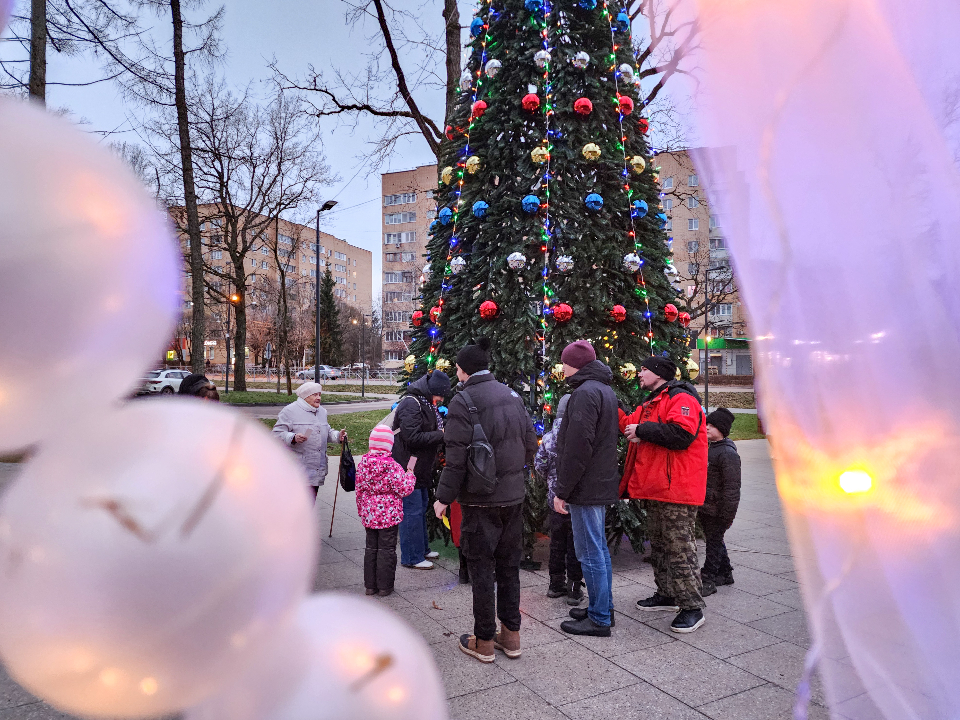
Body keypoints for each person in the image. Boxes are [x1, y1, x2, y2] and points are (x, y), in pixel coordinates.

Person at [433, 338, 538, 663]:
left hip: (480, 502)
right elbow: (531, 442)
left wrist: (442, 498)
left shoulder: (464, 401)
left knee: (481, 569)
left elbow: (456, 460)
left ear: (464, 370)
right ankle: (511, 636)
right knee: (509, 568)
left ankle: (483, 640)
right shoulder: (512, 395)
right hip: (513, 498)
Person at [619, 356, 708, 633]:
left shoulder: (681, 398)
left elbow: (682, 434)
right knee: (659, 545)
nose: (639, 374)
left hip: (677, 490)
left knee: (680, 549)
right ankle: (667, 594)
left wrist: (643, 431)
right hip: (658, 489)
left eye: (643, 370)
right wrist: (611, 405)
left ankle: (692, 607)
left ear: (658, 373)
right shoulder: (651, 402)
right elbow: (628, 423)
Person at [553, 341, 620, 638]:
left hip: (586, 485)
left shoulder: (583, 394)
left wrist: (563, 489)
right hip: (598, 482)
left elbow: (577, 448)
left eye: (565, 362)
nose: (562, 367)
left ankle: (599, 617)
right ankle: (602, 606)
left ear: (575, 364)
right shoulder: (603, 390)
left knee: (590, 552)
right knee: (598, 550)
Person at [392, 369, 451, 569]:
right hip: (409, 467)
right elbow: (412, 437)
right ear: (431, 390)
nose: (441, 399)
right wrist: (440, 434)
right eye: (440, 394)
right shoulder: (412, 403)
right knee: (412, 510)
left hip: (421, 467)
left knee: (421, 506)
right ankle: (411, 556)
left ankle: (422, 549)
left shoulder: (426, 403)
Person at [355, 425, 418, 597]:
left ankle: (370, 586)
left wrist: (362, 510)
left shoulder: (363, 464)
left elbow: (359, 489)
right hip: (389, 515)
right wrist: (410, 474)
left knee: (371, 549)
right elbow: (404, 489)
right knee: (387, 550)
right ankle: (384, 587)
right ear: (390, 445)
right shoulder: (393, 466)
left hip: (369, 513)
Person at [534, 394, 584, 605]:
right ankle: (574, 587)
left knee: (557, 542)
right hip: (576, 499)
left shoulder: (547, 437)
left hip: (554, 499)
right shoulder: (579, 434)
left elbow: (539, 465)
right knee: (576, 544)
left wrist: (550, 480)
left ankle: (555, 584)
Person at [272, 382, 347, 501]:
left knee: (309, 504)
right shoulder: (290, 411)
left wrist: (338, 436)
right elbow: (276, 434)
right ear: (305, 396)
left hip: (316, 468)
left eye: (320, 394)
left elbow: (326, 431)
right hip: (297, 470)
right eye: (315, 395)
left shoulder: (322, 412)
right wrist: (293, 437)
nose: (319, 398)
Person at [699, 408, 741, 596]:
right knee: (715, 540)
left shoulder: (727, 453)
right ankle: (725, 573)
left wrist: (727, 515)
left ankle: (708, 579)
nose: (707, 427)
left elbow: (732, 489)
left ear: (722, 429)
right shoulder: (711, 448)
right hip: (707, 506)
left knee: (713, 543)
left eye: (712, 425)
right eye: (707, 423)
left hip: (718, 510)